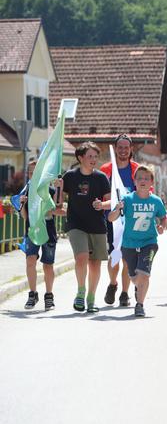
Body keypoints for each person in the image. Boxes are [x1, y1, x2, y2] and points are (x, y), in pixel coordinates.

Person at [54, 142, 111, 313]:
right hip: (76, 224)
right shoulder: (70, 176)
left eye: (95, 156)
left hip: (97, 225)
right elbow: (58, 202)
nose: (93, 160)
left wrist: (102, 204)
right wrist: (59, 188)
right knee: (81, 257)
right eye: (90, 156)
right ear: (80, 158)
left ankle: (91, 298)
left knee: (95, 264)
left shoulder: (101, 178)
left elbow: (110, 202)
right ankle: (80, 292)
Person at [109, 165, 166, 317]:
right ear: (134, 181)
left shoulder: (156, 201)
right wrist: (117, 209)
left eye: (146, 178)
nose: (143, 181)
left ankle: (139, 305)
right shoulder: (127, 199)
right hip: (129, 243)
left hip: (149, 242)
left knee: (145, 274)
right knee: (134, 277)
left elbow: (163, 217)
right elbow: (111, 218)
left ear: (151, 182)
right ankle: (138, 285)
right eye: (139, 178)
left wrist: (162, 226)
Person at [18, 159, 65, 311]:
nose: (33, 175)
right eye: (31, 172)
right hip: (32, 232)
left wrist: (59, 189)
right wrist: (22, 204)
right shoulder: (26, 191)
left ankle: (49, 296)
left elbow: (59, 209)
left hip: (48, 232)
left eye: (36, 172)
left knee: (48, 265)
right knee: (30, 260)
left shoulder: (49, 189)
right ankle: (32, 294)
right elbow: (25, 217)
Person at [100, 134, 140, 307]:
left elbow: (145, 191)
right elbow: (100, 192)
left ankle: (124, 293)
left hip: (132, 219)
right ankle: (113, 283)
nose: (123, 150)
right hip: (112, 219)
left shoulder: (137, 169)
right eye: (120, 147)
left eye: (126, 147)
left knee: (127, 258)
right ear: (115, 149)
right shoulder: (106, 169)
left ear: (131, 149)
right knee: (115, 255)